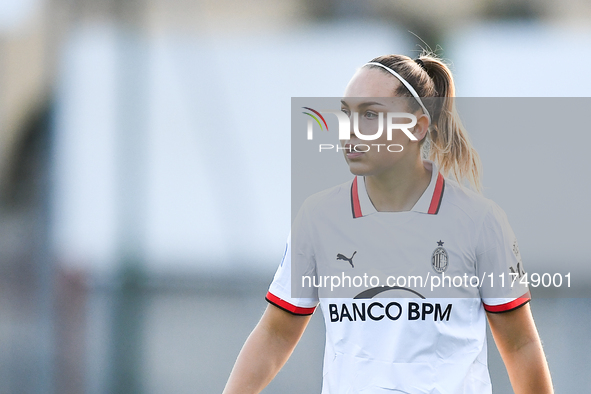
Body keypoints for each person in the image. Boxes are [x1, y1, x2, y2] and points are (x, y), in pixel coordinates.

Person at [222, 52, 553, 394]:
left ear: (418, 126)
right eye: (346, 113)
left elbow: (520, 345)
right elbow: (276, 332)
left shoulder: (479, 222)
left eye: (369, 115)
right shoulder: (318, 219)